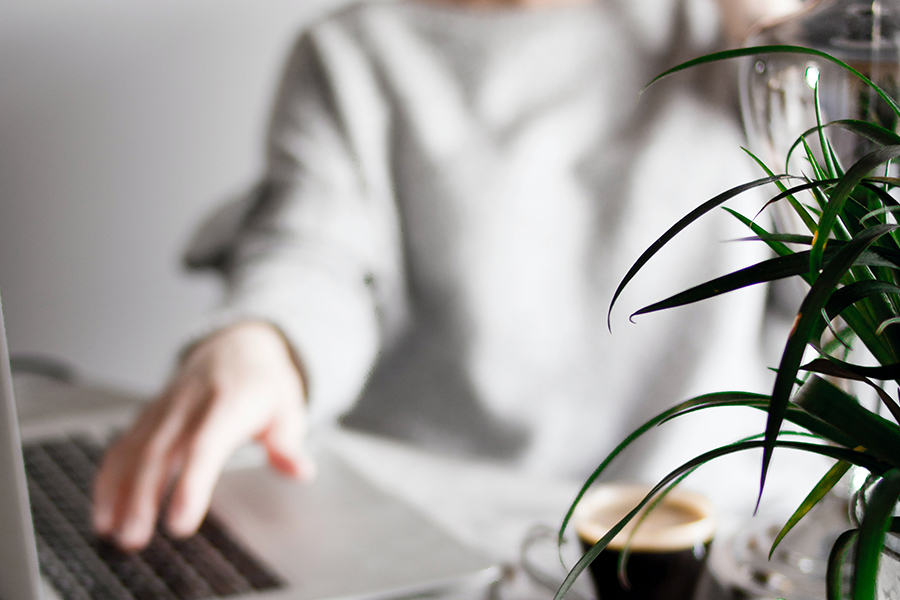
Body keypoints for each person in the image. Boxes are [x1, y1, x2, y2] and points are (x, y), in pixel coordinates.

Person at [92, 0, 803, 551]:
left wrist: (800, 65)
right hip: (441, 547)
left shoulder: (732, 33)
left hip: (700, 541)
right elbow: (312, 253)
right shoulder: (355, 53)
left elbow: (843, 319)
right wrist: (266, 341)